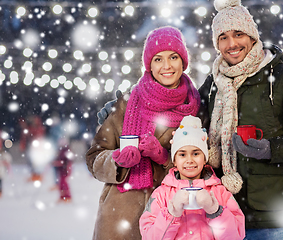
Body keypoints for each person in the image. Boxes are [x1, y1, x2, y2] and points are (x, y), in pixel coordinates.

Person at [197, 0, 283, 239]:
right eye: (223, 37)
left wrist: (271, 149)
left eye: (238, 34)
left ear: (252, 37)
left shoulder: (282, 79)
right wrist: (128, 105)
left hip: (269, 217)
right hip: (220, 212)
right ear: (217, 44)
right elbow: (185, 118)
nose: (232, 44)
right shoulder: (213, 84)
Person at [86, 26, 205, 240]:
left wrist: (165, 159)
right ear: (149, 64)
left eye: (173, 57)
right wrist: (117, 160)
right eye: (158, 59)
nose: (166, 66)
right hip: (120, 216)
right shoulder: (126, 103)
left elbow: (204, 166)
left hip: (171, 217)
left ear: (183, 61)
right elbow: (94, 157)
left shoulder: (196, 107)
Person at [139, 115, 245, 240]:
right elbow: (149, 236)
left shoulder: (220, 192)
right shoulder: (161, 195)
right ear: (174, 161)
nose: (189, 160)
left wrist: (215, 211)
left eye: (196, 153)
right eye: (182, 154)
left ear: (205, 158)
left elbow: (237, 235)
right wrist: (171, 214)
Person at [52, 138, 73, 203]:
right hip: (61, 170)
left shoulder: (67, 151)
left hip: (65, 170)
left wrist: (58, 163)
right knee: (61, 184)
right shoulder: (61, 151)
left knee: (64, 184)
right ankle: (62, 196)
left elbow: (66, 162)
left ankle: (67, 196)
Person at [0, 132, 12, 198]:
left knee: (0, 180)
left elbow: (8, 159)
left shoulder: (4, 154)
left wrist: (6, 162)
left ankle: (0, 191)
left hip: (1, 169)